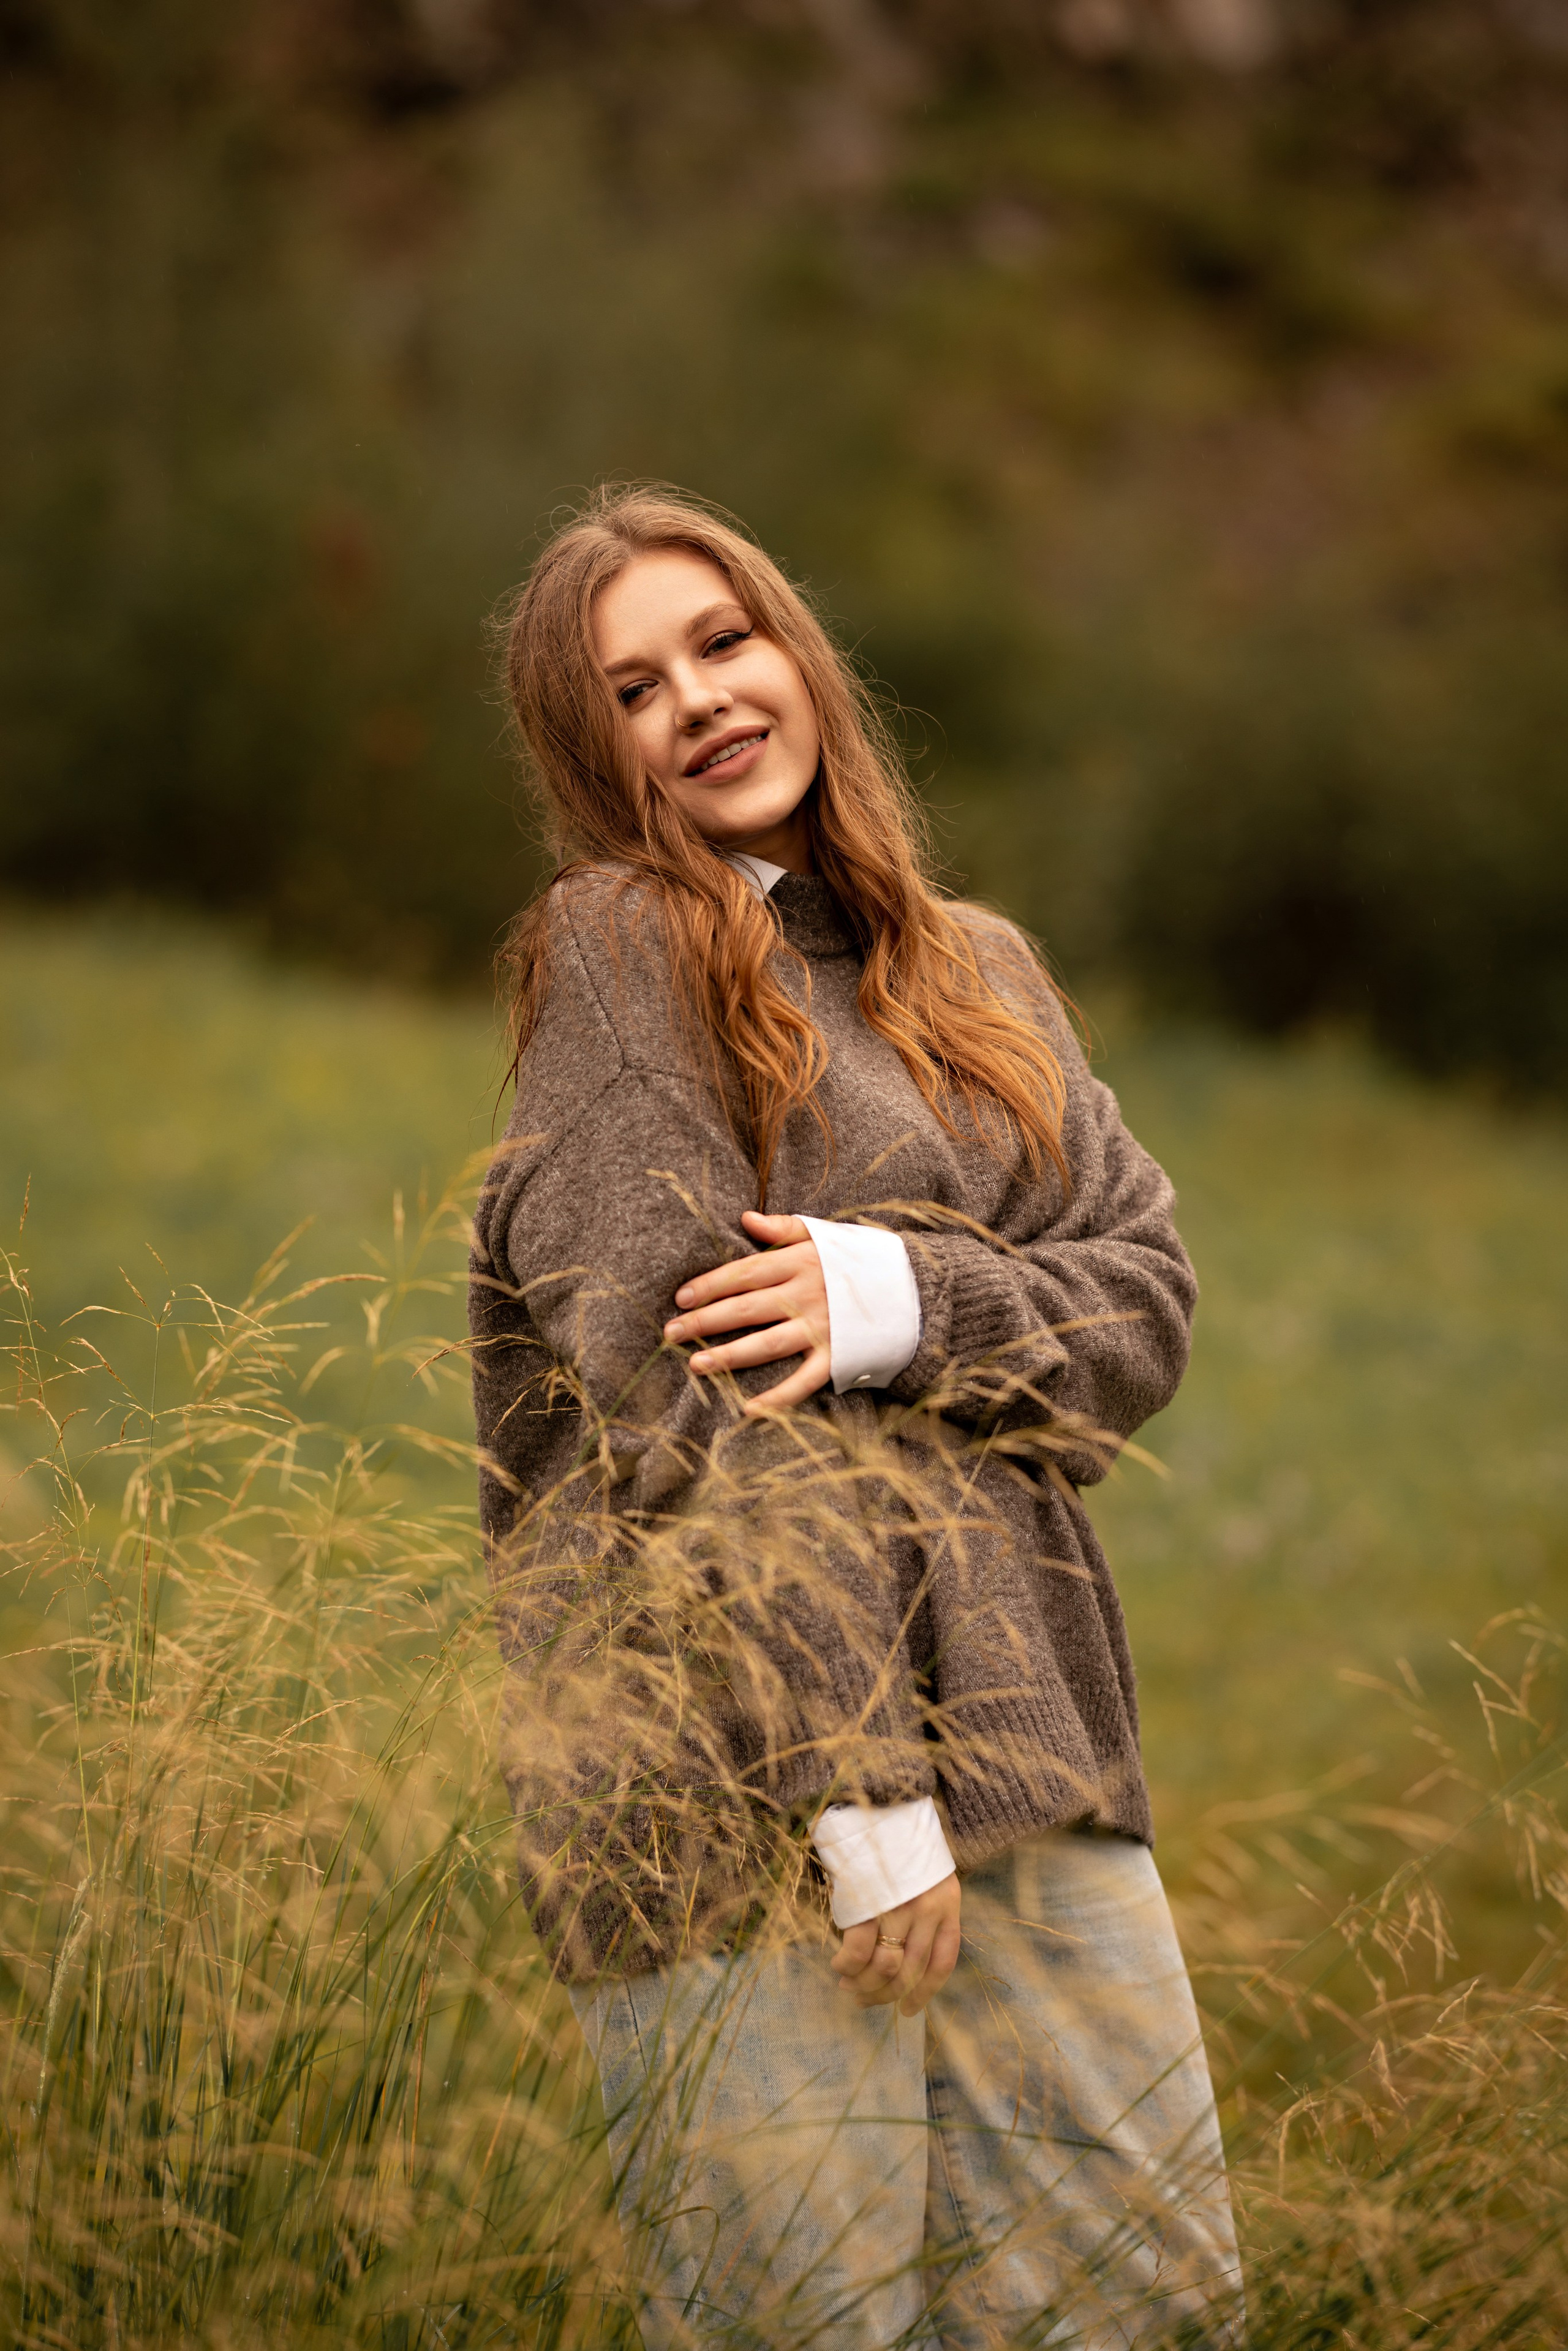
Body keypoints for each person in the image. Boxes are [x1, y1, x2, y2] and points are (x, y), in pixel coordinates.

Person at [470, 485, 1242, 2349]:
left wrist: (901, 1300)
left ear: (797, 653)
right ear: (598, 755)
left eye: (724, 643)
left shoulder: (980, 972)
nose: (704, 703)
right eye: (636, 689)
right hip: (742, 1799)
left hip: (1032, 1748)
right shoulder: (621, 953)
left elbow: (1142, 1302)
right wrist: (858, 1793)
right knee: (805, 2327)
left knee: (1138, 2307)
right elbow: (675, 1392)